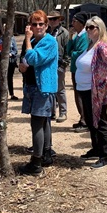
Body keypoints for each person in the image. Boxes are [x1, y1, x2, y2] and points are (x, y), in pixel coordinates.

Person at [76, 16, 107, 169]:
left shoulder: (103, 46)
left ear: (99, 29)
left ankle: (105, 155)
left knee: (100, 121)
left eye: (91, 27)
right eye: (87, 27)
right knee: (90, 121)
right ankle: (96, 148)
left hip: (96, 91)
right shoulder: (90, 45)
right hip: (84, 89)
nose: (88, 30)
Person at [19, 10, 58, 175]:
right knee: (43, 122)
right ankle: (46, 154)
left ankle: (36, 163)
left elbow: (34, 59)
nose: (38, 27)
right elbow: (26, 59)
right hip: (32, 86)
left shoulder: (49, 42)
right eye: (34, 24)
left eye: (41, 24)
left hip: (42, 89)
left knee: (37, 124)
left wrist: (27, 39)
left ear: (46, 25)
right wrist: (21, 66)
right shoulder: (34, 40)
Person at [66, 11, 89, 131]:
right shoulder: (77, 36)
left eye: (74, 21)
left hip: (80, 69)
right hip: (75, 68)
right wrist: (70, 37)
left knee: (81, 95)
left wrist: (72, 53)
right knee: (77, 94)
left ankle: (85, 120)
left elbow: (80, 53)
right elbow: (68, 49)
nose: (72, 23)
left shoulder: (85, 36)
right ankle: (82, 118)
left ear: (81, 23)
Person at [47, 10, 70, 123]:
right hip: (47, 65)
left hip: (59, 65)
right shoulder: (46, 32)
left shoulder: (64, 33)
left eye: (54, 19)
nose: (52, 21)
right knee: (50, 89)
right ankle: (51, 112)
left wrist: (64, 65)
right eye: (50, 19)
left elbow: (68, 51)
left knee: (60, 89)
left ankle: (63, 112)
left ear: (59, 20)